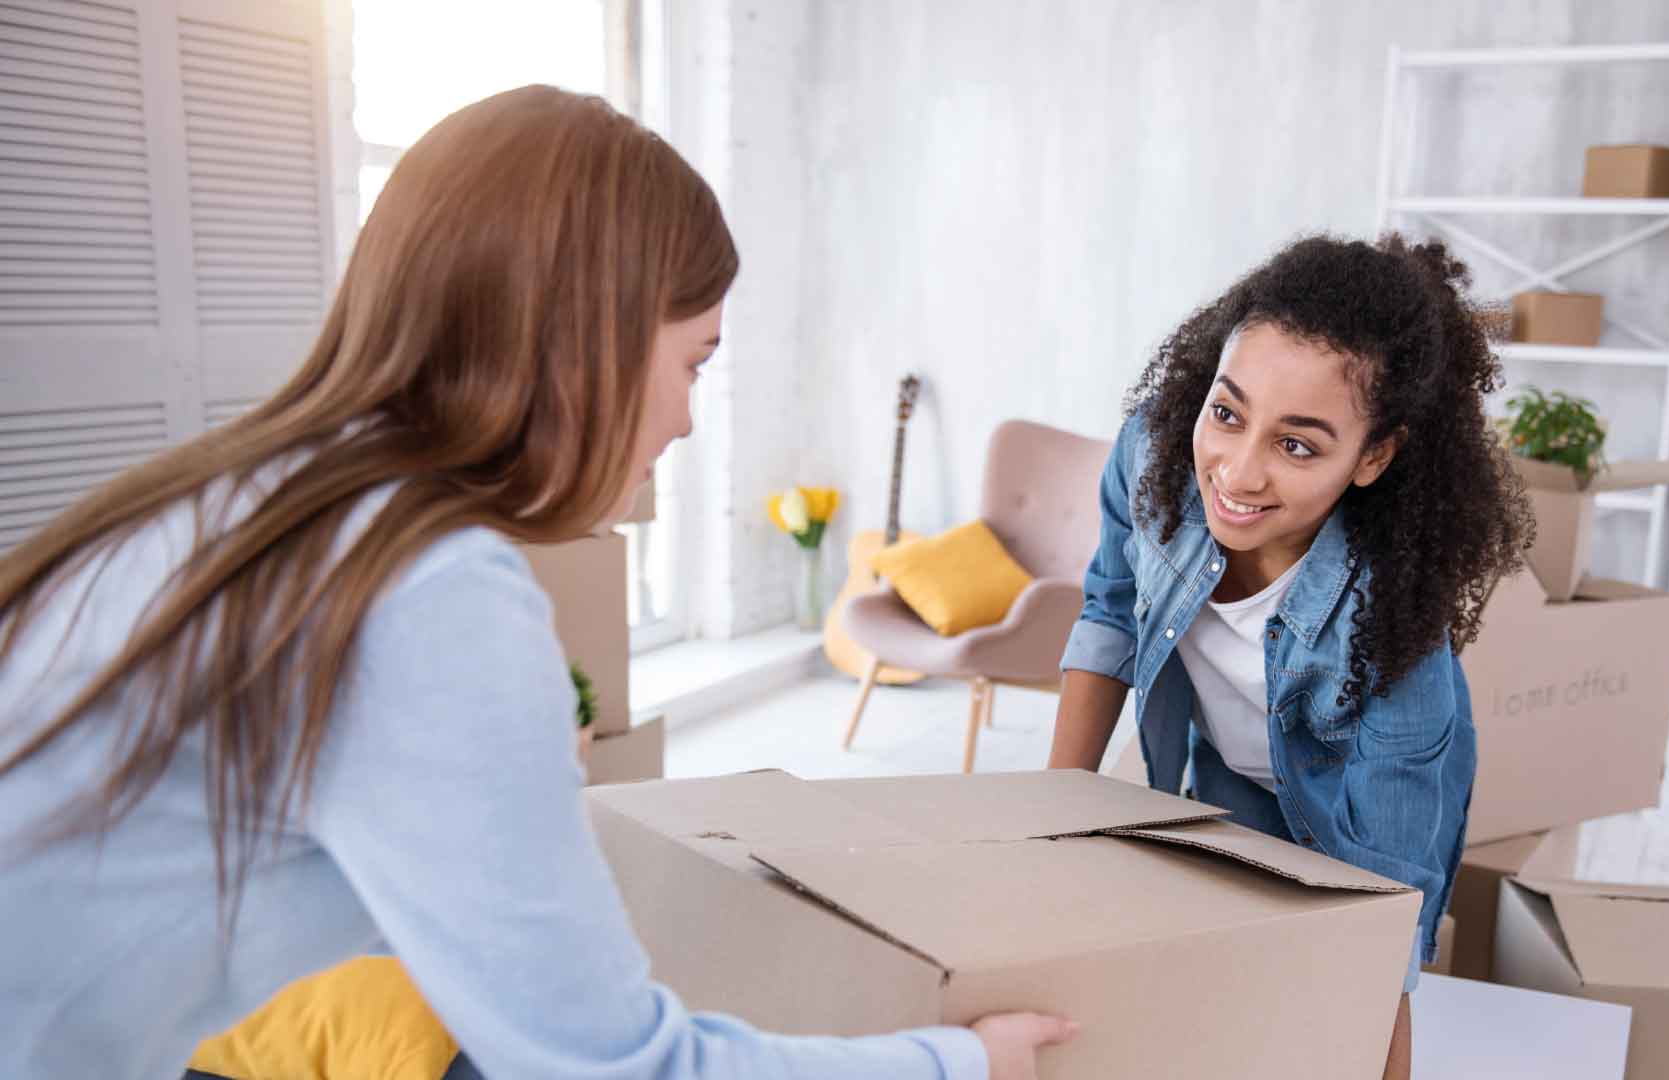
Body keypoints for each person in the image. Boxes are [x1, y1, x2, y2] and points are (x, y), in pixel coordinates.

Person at [0, 85, 1072, 1080]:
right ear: (584, 338)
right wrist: (958, 1063)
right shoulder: (423, 589)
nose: (687, 419)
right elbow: (616, 1069)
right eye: (693, 363)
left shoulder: (247, 498)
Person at [1048, 234, 1533, 1079]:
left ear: (1373, 456)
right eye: (1228, 413)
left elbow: (1384, 910)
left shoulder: (1397, 633)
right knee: (1225, 1001)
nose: (1238, 473)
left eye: (1297, 445)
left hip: (1343, 809)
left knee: (1329, 993)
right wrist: (1044, 817)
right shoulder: (1151, 455)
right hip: (1228, 773)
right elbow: (1111, 615)